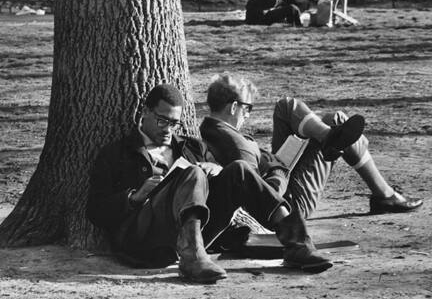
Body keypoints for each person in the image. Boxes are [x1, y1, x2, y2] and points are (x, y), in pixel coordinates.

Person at [86, 84, 334, 285]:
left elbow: (225, 182)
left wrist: (215, 170)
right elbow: (95, 211)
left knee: (238, 170)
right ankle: (192, 259)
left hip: (194, 232)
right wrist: (134, 197)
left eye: (175, 124)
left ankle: (297, 244)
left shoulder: (190, 147)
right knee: (193, 173)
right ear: (146, 112)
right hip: (145, 239)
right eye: (162, 121)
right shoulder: (117, 153)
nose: (168, 130)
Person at [200, 75, 423, 222]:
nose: (247, 116)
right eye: (247, 110)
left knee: (287, 107)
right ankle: (385, 195)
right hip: (287, 204)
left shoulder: (210, 129)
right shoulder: (239, 146)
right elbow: (258, 196)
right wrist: (279, 169)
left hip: (277, 179)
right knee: (338, 131)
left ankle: (328, 135)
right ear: (233, 107)